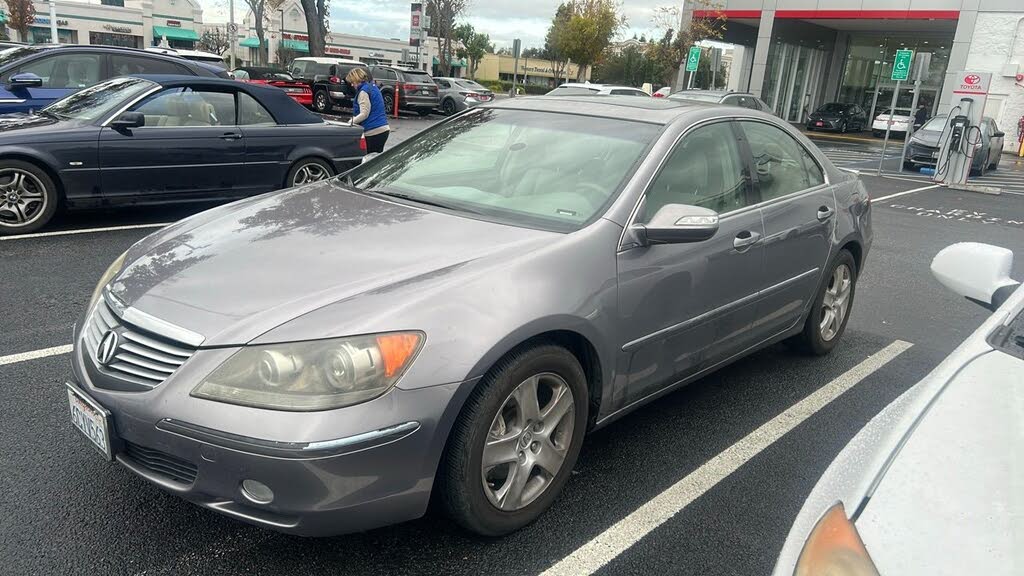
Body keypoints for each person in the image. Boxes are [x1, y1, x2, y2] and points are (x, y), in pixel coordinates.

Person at [345, 67, 390, 153]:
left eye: (352, 82)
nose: (351, 85)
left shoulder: (363, 92)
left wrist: (351, 122)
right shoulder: (373, 87)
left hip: (373, 131)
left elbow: (364, 113)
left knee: (368, 160)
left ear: (356, 79)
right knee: (376, 159)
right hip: (383, 128)